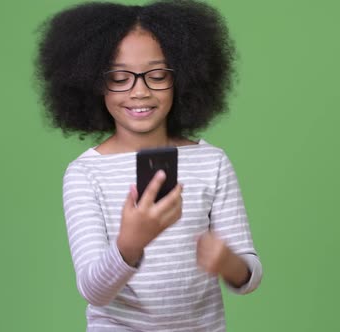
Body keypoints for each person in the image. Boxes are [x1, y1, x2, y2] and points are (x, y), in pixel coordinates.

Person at [35, 1, 262, 331]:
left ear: (182, 78)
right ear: (94, 83)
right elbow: (93, 290)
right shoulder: (86, 174)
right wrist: (130, 243)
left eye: (156, 75)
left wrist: (229, 263)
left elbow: (250, 274)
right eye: (119, 77)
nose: (139, 91)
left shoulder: (211, 163)